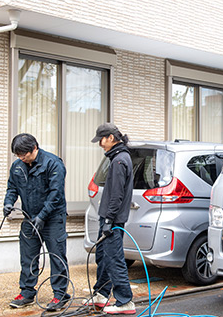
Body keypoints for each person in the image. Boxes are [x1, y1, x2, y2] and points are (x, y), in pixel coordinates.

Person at [3, 133, 71, 311]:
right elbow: (12, 187)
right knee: (28, 257)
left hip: (53, 218)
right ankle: (26, 293)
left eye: (23, 154)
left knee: (57, 256)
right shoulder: (17, 166)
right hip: (29, 217)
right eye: (18, 155)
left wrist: (42, 215)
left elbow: (56, 194)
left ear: (34, 148)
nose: (21, 158)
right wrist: (8, 202)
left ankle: (60, 295)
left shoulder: (53, 163)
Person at [86, 123, 136, 314]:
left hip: (112, 220)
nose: (100, 144)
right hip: (109, 217)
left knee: (114, 258)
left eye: (101, 139)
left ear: (111, 138)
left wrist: (108, 220)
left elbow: (116, 195)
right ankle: (101, 294)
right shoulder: (118, 157)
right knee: (104, 256)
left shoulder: (119, 161)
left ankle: (125, 301)